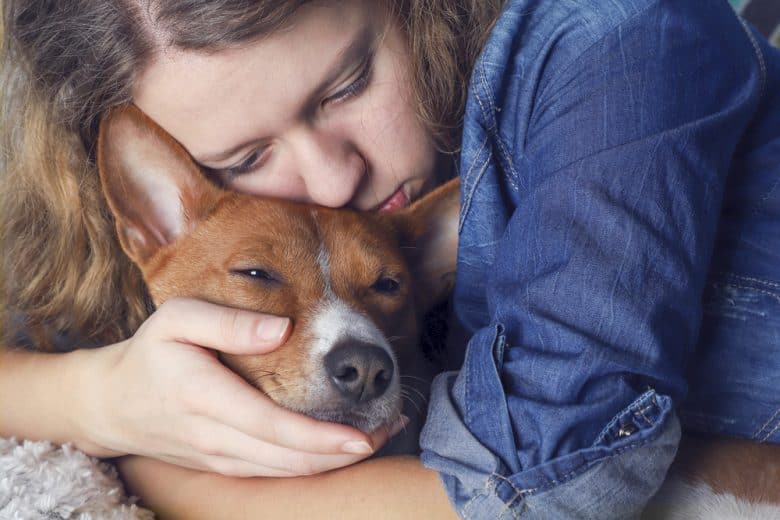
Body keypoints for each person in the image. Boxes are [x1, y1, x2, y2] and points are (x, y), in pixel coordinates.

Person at [1, 0, 779, 518]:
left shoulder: (614, 38)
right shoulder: (203, 237)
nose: (335, 178)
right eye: (243, 158)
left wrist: (153, 469)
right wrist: (99, 399)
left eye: (346, 84)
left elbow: (552, 485)